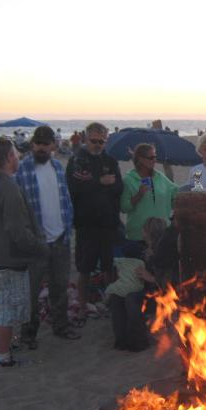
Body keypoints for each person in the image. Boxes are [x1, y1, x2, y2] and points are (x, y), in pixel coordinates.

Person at [0, 138, 49, 366]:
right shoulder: (8, 187)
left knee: (0, 305)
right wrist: (39, 248)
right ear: (9, 157)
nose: (18, 157)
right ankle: (3, 355)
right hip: (6, 259)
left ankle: (6, 346)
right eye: (16, 153)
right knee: (6, 311)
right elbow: (17, 230)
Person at [15, 125, 79, 344]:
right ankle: (29, 332)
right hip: (37, 241)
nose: (41, 147)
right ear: (32, 144)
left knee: (60, 287)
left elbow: (65, 198)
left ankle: (61, 326)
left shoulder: (58, 167)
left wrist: (67, 226)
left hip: (60, 238)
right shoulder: (23, 169)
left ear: (53, 145)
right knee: (31, 291)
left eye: (45, 143)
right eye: (38, 143)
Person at [66, 122, 123, 315]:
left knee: (109, 266)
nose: (98, 145)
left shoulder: (110, 161)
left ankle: (110, 302)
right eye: (94, 141)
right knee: (85, 267)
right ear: (85, 139)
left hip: (108, 223)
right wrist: (100, 182)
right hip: (86, 224)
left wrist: (101, 185)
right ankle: (82, 305)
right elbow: (74, 187)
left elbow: (118, 187)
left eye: (101, 141)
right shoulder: (77, 160)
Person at [108, 217, 167, 352]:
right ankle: (122, 339)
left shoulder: (163, 253)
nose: (142, 232)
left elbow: (169, 281)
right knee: (116, 296)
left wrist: (150, 277)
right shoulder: (143, 250)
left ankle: (139, 341)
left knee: (132, 299)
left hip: (159, 294)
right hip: (142, 287)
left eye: (144, 229)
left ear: (150, 232)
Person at [120, 143, 178, 254]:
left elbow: (176, 194)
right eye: (151, 158)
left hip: (161, 234)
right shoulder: (128, 180)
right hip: (138, 236)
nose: (154, 160)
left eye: (155, 157)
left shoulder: (160, 177)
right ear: (140, 159)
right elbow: (124, 207)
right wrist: (139, 195)